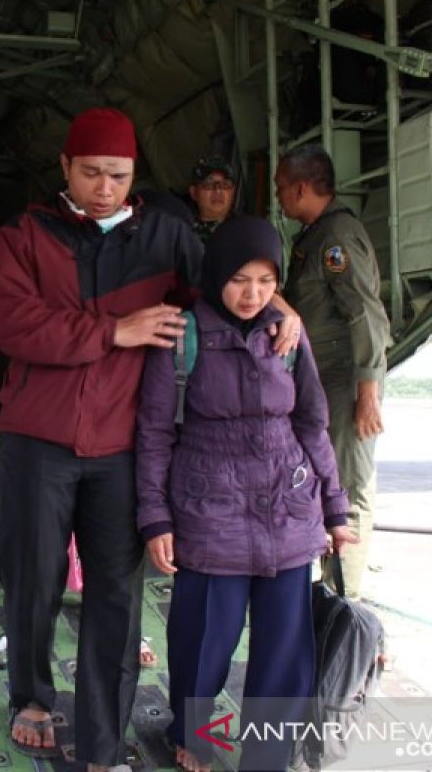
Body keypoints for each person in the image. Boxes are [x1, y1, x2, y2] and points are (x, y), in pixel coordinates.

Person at [0, 107, 301, 771]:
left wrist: (278, 306)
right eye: (93, 172)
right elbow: (14, 326)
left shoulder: (164, 232)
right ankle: (32, 697)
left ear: (134, 176)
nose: (105, 187)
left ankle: (103, 746)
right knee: (33, 580)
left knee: (116, 597)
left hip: (122, 445)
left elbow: (227, 285)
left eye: (119, 175)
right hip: (36, 440)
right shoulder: (26, 235)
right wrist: (114, 331)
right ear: (66, 168)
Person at [136, 216, 356, 772]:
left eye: (264, 280)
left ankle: (267, 755)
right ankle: (196, 734)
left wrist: (335, 508)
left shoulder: (287, 334)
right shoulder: (182, 335)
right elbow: (156, 432)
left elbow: (313, 423)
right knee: (204, 641)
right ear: (215, 276)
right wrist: (156, 517)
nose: (251, 293)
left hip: (288, 508)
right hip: (211, 511)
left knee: (283, 651)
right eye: (239, 279)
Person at [275, 144, 390, 600]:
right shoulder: (315, 236)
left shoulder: (337, 235)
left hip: (347, 383)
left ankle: (346, 599)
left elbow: (365, 314)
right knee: (328, 484)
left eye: (283, 188)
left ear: (302, 188)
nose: (280, 197)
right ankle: (327, 589)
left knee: (350, 488)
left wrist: (367, 392)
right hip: (325, 382)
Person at [188, 154, 237, 243]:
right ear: (194, 192)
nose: (218, 190)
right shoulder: (183, 235)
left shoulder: (245, 231)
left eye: (225, 184)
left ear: (233, 191)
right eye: (208, 184)